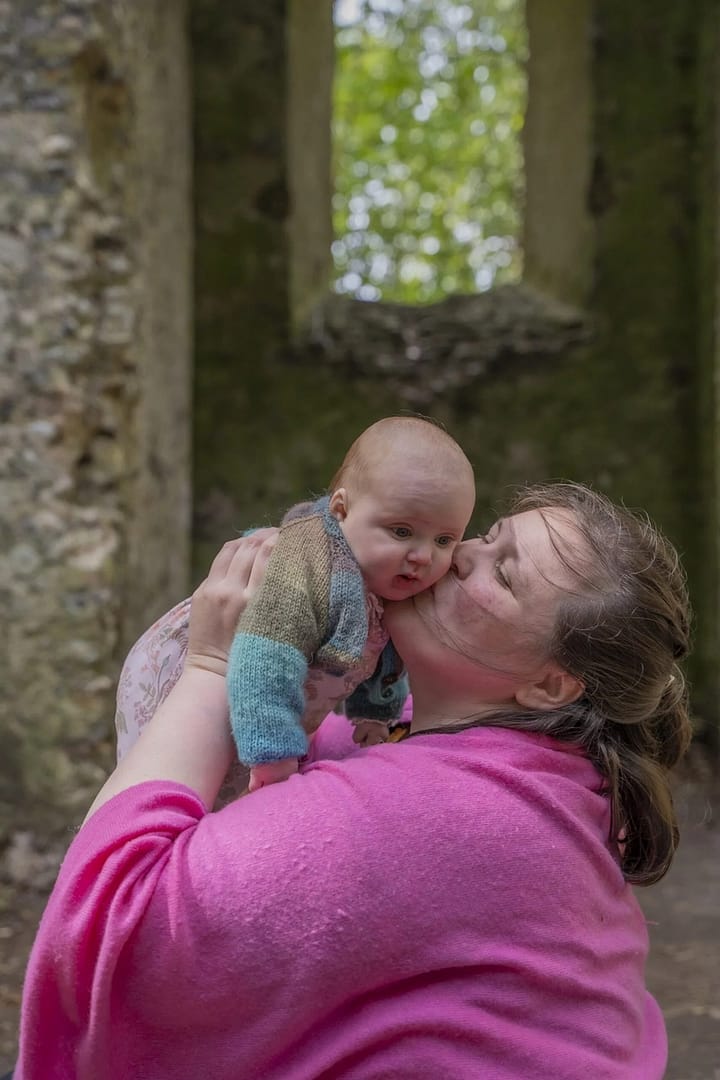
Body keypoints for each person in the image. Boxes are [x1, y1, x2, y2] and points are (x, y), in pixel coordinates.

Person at [15, 482, 691, 1079]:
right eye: (488, 536)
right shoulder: (543, 763)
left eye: (503, 575)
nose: (458, 555)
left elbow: (110, 925)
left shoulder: (432, 814)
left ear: (550, 685)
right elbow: (338, 755)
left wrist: (216, 668)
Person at [116, 415, 476, 791]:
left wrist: (374, 713)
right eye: (401, 531)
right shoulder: (309, 564)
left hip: (260, 694)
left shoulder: (385, 579)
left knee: (231, 783)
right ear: (341, 510)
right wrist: (275, 753)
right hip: (184, 676)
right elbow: (266, 657)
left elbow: (386, 656)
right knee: (186, 784)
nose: (422, 556)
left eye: (444, 540)